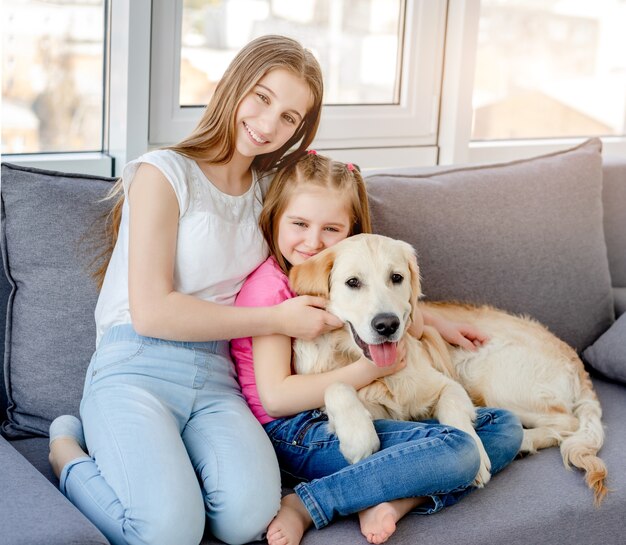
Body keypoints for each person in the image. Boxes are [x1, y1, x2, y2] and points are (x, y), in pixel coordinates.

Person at [47, 35, 343, 545]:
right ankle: (66, 454)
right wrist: (277, 319)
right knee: (165, 533)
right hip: (135, 365)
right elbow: (153, 313)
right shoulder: (164, 173)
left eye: (291, 118)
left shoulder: (270, 195)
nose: (269, 125)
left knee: (249, 518)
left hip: (215, 375)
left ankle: (171, 473)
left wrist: (428, 318)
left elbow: (338, 248)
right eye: (263, 97)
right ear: (233, 85)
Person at [230, 152, 524, 545]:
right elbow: (277, 399)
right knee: (461, 450)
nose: (313, 241)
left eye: (330, 228)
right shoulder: (272, 291)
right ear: (275, 217)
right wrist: (372, 371)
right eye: (299, 223)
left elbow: (400, 308)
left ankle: (394, 499)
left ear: (350, 229)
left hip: (355, 416)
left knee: (505, 426)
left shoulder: (356, 265)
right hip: (297, 430)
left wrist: (438, 323)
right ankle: (310, 503)